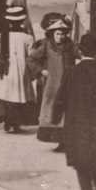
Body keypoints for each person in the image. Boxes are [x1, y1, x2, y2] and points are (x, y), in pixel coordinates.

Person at [59, 33, 96, 190]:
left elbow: (61, 99)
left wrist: (55, 118)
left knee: (82, 165)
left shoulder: (71, 72)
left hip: (77, 128)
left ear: (79, 50)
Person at [0, 5, 35, 134]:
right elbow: (31, 56)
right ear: (21, 22)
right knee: (20, 94)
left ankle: (8, 122)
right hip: (22, 69)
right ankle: (17, 122)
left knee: (7, 94)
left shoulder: (1, 36)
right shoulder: (27, 38)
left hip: (7, 69)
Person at [29, 16, 75, 147]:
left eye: (63, 34)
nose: (61, 37)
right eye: (58, 34)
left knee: (66, 111)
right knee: (52, 110)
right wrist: (41, 71)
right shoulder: (46, 45)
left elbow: (80, 55)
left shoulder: (70, 45)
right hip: (52, 86)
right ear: (52, 34)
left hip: (67, 84)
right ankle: (56, 139)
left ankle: (64, 142)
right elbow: (31, 59)